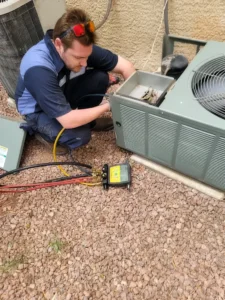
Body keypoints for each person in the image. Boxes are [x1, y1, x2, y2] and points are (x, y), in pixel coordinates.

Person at [15, 8, 135, 150]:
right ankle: (43, 132)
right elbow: (68, 121)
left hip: (60, 90)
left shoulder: (79, 48)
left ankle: (88, 121)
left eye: (87, 56)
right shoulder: (38, 68)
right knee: (79, 135)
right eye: (78, 58)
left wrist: (135, 106)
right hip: (37, 109)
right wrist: (109, 105)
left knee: (100, 78)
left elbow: (126, 66)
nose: (85, 62)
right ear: (58, 44)